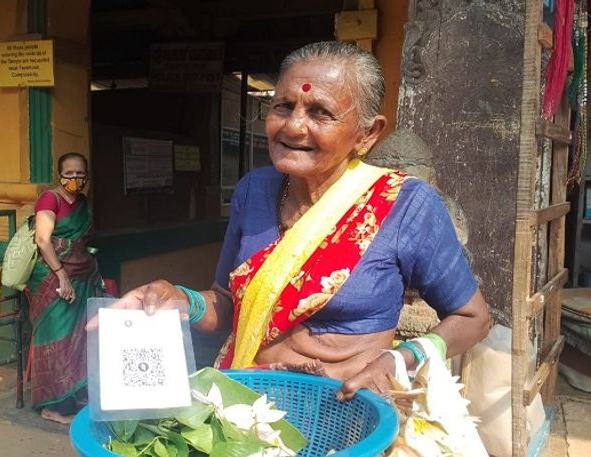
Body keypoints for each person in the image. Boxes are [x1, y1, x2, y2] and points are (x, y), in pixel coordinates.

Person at [94, 41, 490, 398]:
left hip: (346, 414)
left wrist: (399, 360)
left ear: (367, 134)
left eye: (320, 112)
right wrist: (182, 300)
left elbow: (473, 317)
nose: (293, 126)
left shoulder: (404, 204)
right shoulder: (253, 191)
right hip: (246, 408)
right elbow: (228, 305)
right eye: (283, 106)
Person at [29, 152, 103, 424]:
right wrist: (61, 275)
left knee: (81, 337)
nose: (75, 179)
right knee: (57, 338)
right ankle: (52, 407)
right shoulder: (50, 199)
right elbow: (42, 239)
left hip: (83, 276)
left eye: (80, 173)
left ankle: (75, 397)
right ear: (59, 174)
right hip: (53, 278)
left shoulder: (84, 203)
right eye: (69, 173)